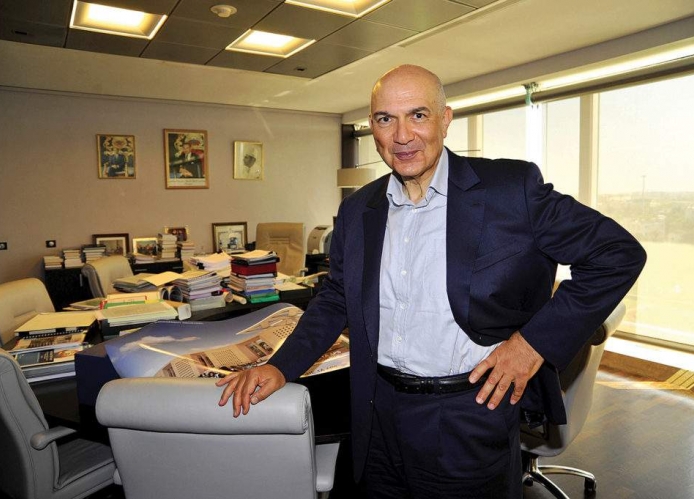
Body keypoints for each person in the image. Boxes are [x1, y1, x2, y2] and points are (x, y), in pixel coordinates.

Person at [217, 64, 646, 497]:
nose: (402, 135)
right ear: (373, 128)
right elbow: (335, 298)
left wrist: (532, 344)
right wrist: (280, 366)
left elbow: (617, 254)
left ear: (445, 119)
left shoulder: (510, 190)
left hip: (468, 413)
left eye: (418, 115)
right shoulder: (358, 209)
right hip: (375, 412)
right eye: (386, 119)